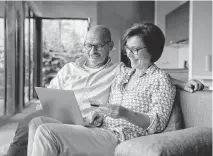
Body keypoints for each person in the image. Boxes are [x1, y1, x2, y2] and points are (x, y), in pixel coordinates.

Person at [6, 25, 204, 156]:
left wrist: (180, 82)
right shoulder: (124, 74)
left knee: (46, 133)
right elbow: (144, 72)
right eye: (128, 49)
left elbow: (156, 122)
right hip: (97, 125)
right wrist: (99, 115)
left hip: (120, 135)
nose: (130, 54)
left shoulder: (156, 79)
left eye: (136, 49)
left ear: (152, 48)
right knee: (36, 123)